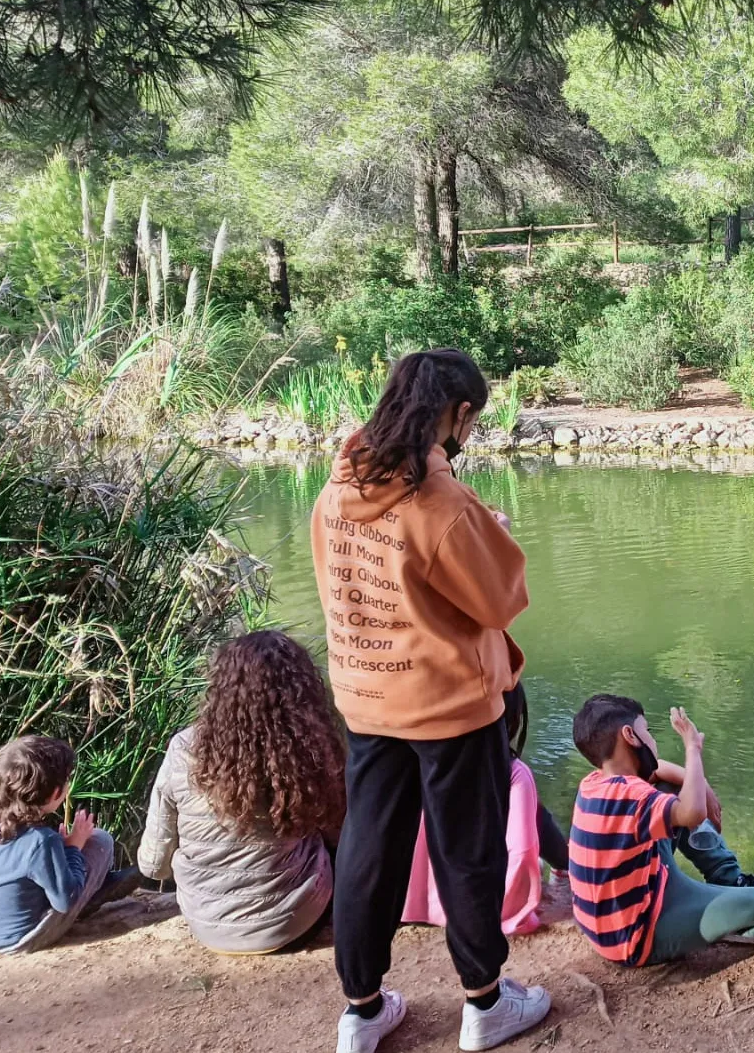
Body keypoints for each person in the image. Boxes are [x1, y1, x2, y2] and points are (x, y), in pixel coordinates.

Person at [311, 348, 551, 1053]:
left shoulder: (336, 490)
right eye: (472, 420)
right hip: (448, 706)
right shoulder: (440, 503)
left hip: (366, 695)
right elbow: (501, 597)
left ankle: (360, 1011)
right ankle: (484, 1003)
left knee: (368, 847)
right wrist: (494, 537)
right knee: (467, 852)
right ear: (460, 414)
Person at [566, 694, 754, 965]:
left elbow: (660, 771)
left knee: (671, 788)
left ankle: (730, 878)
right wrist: (693, 749)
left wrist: (703, 787)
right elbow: (692, 813)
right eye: (648, 732)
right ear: (630, 735)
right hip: (638, 935)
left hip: (634, 901)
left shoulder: (597, 783)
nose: (652, 741)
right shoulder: (631, 795)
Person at [138, 630, 344, 954]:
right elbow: (341, 837)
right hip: (295, 921)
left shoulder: (182, 749)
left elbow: (153, 865)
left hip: (207, 925)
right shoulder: (307, 748)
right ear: (301, 690)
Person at [0, 735, 143, 954]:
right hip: (24, 937)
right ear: (56, 793)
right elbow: (64, 902)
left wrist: (3, 775)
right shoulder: (40, 841)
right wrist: (74, 847)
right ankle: (93, 894)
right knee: (99, 840)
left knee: (56, 856)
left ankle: (93, 886)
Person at [403, 682, 572, 935]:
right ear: (512, 716)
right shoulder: (513, 771)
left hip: (416, 904)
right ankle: (564, 869)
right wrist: (513, 912)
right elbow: (523, 850)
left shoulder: (418, 760)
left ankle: (563, 866)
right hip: (479, 907)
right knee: (533, 818)